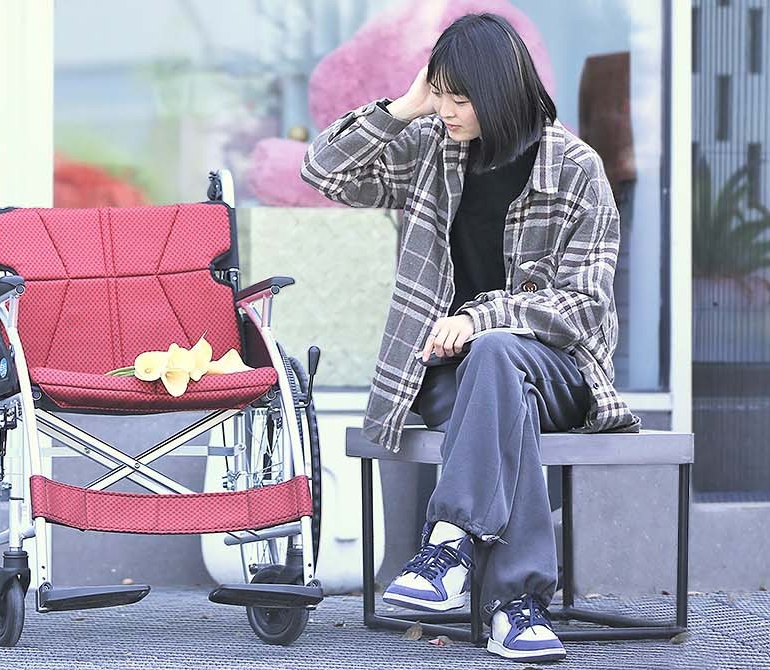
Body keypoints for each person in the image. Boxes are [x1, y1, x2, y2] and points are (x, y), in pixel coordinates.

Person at [300, 12, 640, 663]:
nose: (446, 110)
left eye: (460, 98)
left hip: (558, 373)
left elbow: (586, 306)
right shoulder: (429, 148)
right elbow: (324, 173)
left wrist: (484, 318)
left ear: (500, 92)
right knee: (498, 399)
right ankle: (517, 608)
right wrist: (404, 107)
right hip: (452, 377)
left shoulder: (576, 169)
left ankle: (449, 542)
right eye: (440, 94)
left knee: (496, 352)